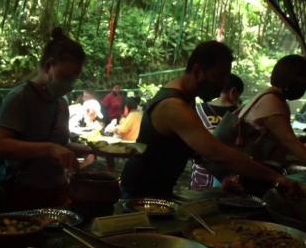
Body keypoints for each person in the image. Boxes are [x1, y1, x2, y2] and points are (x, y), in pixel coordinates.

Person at [120, 41, 300, 199]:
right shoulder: (173, 106)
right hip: (139, 191)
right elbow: (216, 152)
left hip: (158, 188)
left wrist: (225, 177)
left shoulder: (186, 99)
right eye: (220, 76)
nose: (223, 85)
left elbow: (197, 151)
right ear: (198, 71)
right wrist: (275, 177)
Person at [0, 27, 89, 213]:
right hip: (19, 194)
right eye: (65, 77)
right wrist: (50, 149)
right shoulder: (20, 97)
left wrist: (85, 150)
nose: (69, 85)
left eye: (73, 79)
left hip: (54, 193)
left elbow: (58, 144)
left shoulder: (61, 102)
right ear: (48, 67)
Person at [236, 55, 306, 165]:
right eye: (303, 83)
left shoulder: (269, 96)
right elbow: (290, 142)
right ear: (291, 79)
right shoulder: (272, 102)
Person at [190, 74, 244, 190]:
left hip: (201, 178)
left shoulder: (198, 109)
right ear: (233, 92)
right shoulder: (242, 113)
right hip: (232, 177)